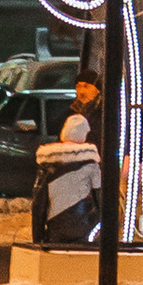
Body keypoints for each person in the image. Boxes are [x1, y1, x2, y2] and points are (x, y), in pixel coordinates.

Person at [38, 73, 99, 247]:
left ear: (97, 90)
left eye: (86, 86)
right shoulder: (71, 111)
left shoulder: (103, 113)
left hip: (95, 169)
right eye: (78, 86)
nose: (81, 90)